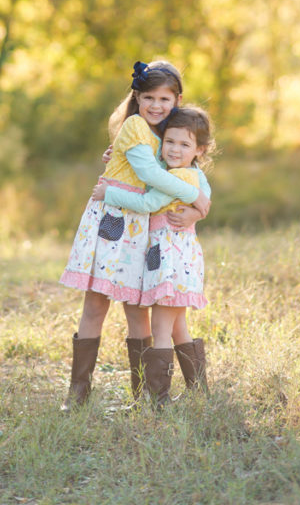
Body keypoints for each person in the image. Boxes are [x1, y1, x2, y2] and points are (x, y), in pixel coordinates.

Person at [59, 60, 211, 409]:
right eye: (149, 98)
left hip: (144, 228)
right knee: (96, 304)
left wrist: (200, 205)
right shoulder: (135, 126)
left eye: (164, 99)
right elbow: (152, 175)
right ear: (137, 98)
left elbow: (189, 173)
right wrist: (197, 199)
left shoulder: (170, 134)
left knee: (136, 308)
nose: (156, 106)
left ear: (176, 100)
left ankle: (143, 395)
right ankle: (77, 393)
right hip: (114, 220)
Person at [93, 105, 214, 407]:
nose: (174, 149)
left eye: (184, 144)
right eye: (169, 142)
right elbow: (201, 191)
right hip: (177, 258)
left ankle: (160, 400)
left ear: (199, 149)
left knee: (161, 328)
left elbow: (148, 203)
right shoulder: (188, 173)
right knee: (177, 325)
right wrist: (118, 157)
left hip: (168, 260)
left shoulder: (181, 177)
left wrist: (108, 193)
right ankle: (200, 391)